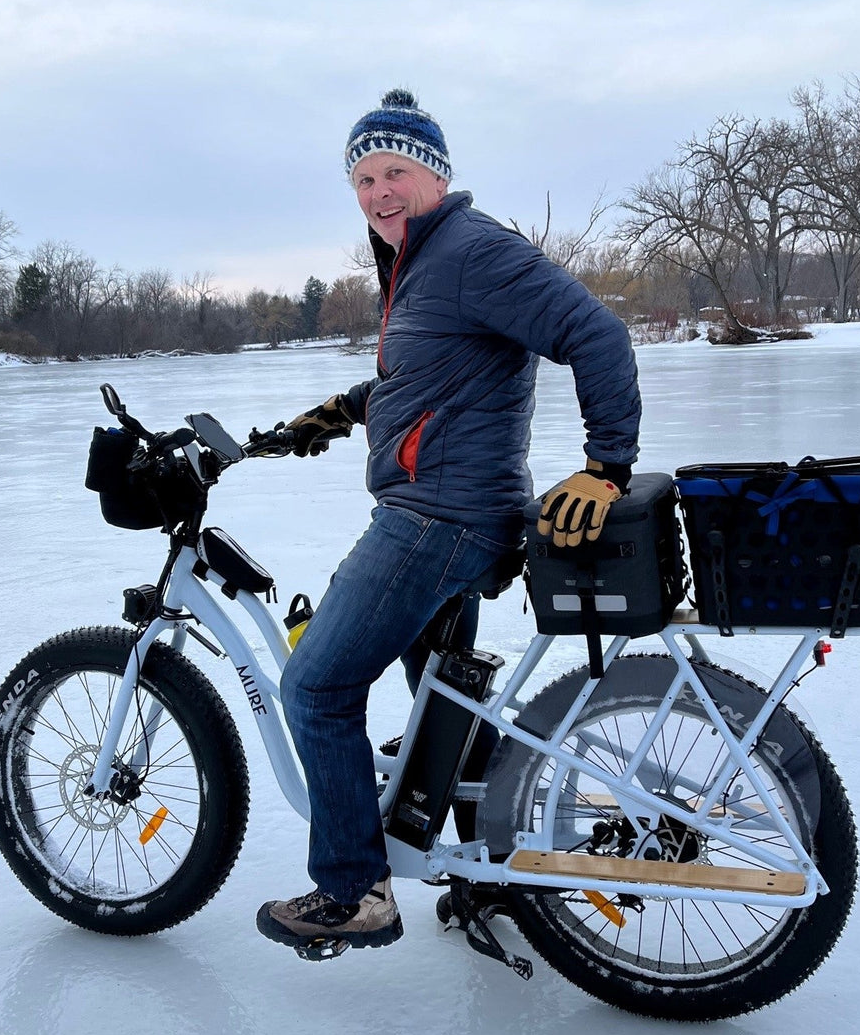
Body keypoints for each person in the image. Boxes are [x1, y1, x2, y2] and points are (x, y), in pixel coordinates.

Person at [256, 89, 641, 957]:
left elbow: (599, 334)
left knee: (315, 688)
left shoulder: (469, 251)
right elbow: (444, 378)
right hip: (460, 509)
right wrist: (351, 404)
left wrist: (606, 464)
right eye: (363, 178)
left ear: (433, 175)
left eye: (394, 171)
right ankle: (482, 868)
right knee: (444, 697)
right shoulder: (419, 265)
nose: (378, 192)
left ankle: (355, 891)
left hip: (439, 519)